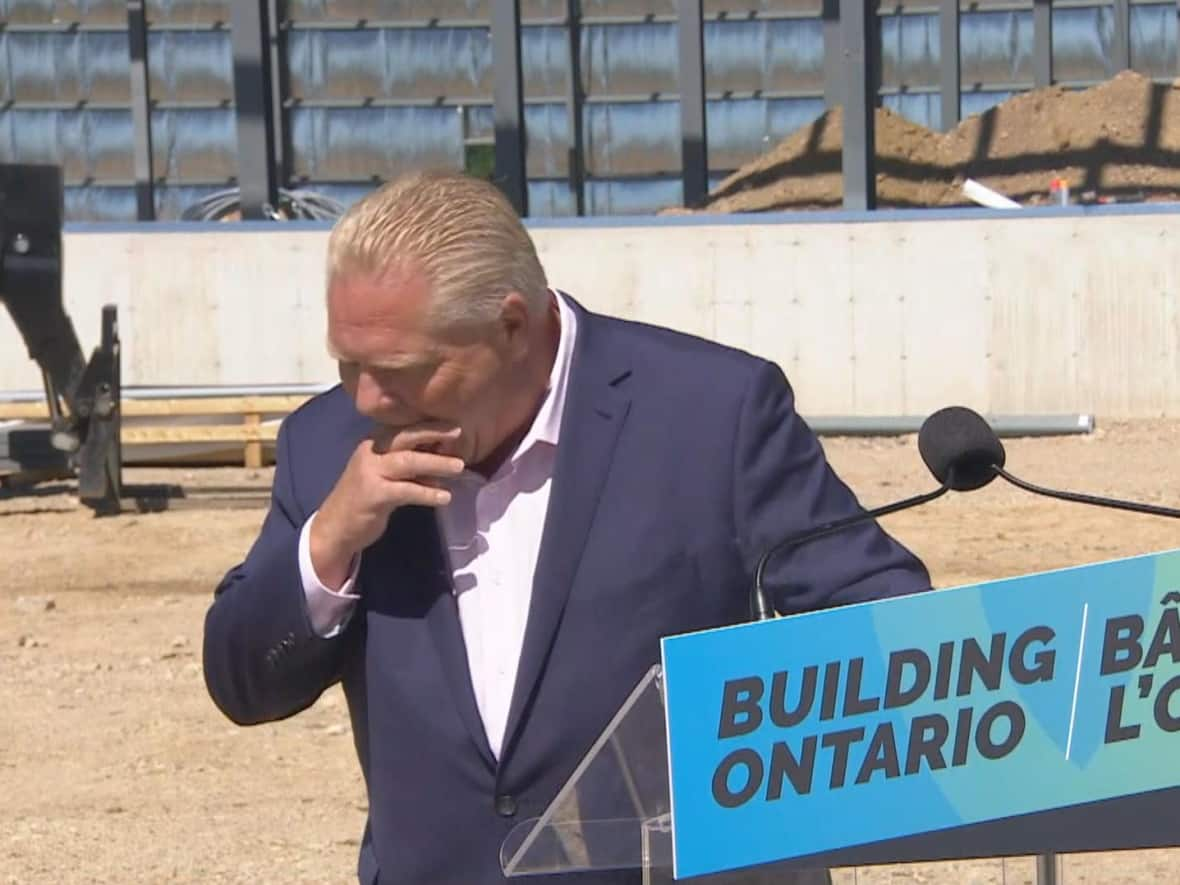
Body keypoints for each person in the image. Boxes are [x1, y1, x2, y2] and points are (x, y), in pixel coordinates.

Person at [202, 170, 932, 885]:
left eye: (401, 369)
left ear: (512, 326)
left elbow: (876, 619)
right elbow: (243, 684)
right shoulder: (328, 444)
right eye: (346, 362)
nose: (366, 396)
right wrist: (329, 543)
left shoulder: (714, 414)